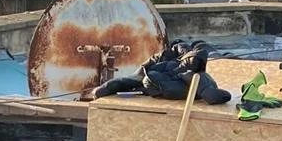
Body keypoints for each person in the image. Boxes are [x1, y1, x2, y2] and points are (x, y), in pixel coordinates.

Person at [80, 39, 232, 105]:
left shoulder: (193, 76)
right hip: (150, 80)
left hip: (151, 81)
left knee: (121, 87)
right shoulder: (194, 74)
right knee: (123, 88)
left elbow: (215, 96)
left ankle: (107, 92)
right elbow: (216, 96)